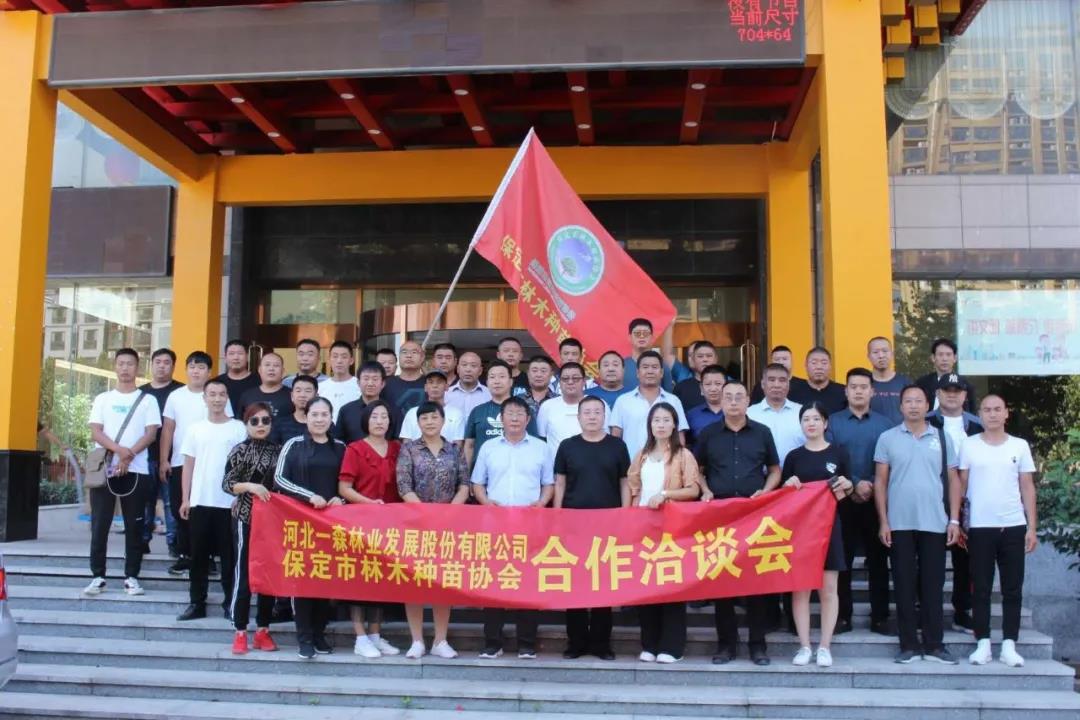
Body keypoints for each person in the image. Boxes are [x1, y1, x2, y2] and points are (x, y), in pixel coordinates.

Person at [695, 381, 781, 666]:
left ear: (747, 402)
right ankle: (726, 645)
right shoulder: (708, 434)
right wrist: (706, 490)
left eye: (739, 397)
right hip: (719, 518)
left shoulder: (762, 432)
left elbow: (774, 470)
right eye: (728, 397)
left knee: (756, 583)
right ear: (721, 401)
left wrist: (766, 492)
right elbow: (698, 470)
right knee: (722, 585)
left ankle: (758, 645)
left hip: (753, 516)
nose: (733, 402)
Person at [874, 384, 961, 665]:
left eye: (918, 401)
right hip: (899, 523)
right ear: (900, 407)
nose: (913, 406)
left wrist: (954, 519)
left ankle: (935, 645)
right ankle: (909, 645)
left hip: (934, 522)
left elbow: (953, 480)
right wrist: (883, 521)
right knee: (903, 584)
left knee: (933, 585)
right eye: (908, 401)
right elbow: (880, 482)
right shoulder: (887, 438)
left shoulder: (942, 437)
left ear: (927, 406)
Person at [955, 395, 1038, 668]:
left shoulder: (1019, 445)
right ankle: (983, 643)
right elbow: (961, 485)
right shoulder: (969, 445)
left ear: (1006, 413)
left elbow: (1027, 486)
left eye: (997, 409)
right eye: (987, 410)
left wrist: (1032, 527)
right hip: (980, 527)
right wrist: (957, 520)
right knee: (980, 587)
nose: (992, 414)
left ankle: (1009, 644)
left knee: (1012, 588)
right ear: (979, 414)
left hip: (1013, 525)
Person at [471, 396, 554, 659]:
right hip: (495, 526)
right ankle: (492, 642)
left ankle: (526, 643)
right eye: (510, 414)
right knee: (493, 583)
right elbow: (477, 483)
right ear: (502, 419)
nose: (515, 418)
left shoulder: (541, 448)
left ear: (528, 419)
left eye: (520, 414)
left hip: (530, 526)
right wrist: (486, 502)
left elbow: (549, 483)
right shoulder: (489, 448)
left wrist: (542, 503)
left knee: (527, 583)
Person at [554, 395, 630, 660]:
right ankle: (576, 643)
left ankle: (601, 643)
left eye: (597, 412)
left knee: (602, 584)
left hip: (608, 524)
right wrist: (557, 518)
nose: (592, 416)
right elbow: (560, 483)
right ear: (578, 417)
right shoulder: (567, 446)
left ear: (604, 416)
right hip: (574, 524)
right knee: (575, 584)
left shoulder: (617, 446)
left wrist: (625, 516)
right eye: (587, 412)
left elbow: (624, 483)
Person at [273, 397, 347, 659]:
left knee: (325, 580)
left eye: (324, 414)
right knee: (302, 581)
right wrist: (308, 496)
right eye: (315, 414)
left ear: (331, 418)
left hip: (330, 525)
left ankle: (319, 634)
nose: (319, 419)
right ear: (306, 417)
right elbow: (279, 479)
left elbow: (348, 483)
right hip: (299, 524)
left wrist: (341, 500)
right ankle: (304, 637)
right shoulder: (294, 445)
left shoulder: (340, 447)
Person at [781, 403, 854, 668]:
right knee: (800, 590)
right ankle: (804, 646)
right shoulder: (794, 457)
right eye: (806, 419)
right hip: (800, 531)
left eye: (816, 418)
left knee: (828, 589)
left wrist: (848, 485)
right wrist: (788, 485)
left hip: (829, 528)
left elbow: (846, 493)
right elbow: (783, 498)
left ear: (825, 423)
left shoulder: (839, 453)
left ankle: (824, 646)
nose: (810, 423)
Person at [84, 348, 161, 597]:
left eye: (130, 363)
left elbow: (151, 434)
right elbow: (96, 432)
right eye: (121, 363)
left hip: (137, 470)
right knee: (100, 523)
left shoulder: (148, 400)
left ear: (138, 367)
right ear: (115, 366)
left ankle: (132, 576)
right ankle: (98, 576)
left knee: (135, 525)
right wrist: (119, 451)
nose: (125, 368)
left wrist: (129, 455)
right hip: (105, 469)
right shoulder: (103, 399)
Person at [396, 402, 470, 659]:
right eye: (424, 418)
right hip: (416, 525)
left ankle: (440, 640)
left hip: (448, 526)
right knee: (414, 582)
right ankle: (416, 640)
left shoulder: (454, 450)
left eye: (434, 417)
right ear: (418, 423)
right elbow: (403, 485)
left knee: (442, 581)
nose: (429, 422)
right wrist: (426, 514)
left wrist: (449, 513)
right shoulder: (408, 449)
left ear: (443, 420)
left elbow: (464, 484)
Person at [628, 403, 701, 664]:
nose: (661, 424)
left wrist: (666, 494)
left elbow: (693, 489)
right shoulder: (642, 454)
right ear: (650, 425)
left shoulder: (683, 455)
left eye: (666, 420)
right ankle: (649, 643)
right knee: (646, 585)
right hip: (644, 528)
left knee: (671, 586)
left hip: (673, 529)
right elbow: (633, 487)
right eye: (656, 420)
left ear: (674, 425)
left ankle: (672, 646)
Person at [829, 368, 894, 636]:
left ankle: (880, 617)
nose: (858, 391)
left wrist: (870, 484)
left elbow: (891, 461)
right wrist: (854, 483)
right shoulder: (833, 422)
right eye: (853, 387)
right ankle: (842, 616)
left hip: (876, 500)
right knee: (842, 560)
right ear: (846, 391)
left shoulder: (885, 424)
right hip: (841, 500)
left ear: (872, 391)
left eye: (863, 387)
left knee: (878, 561)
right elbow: (829, 459)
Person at [176, 379, 247, 622]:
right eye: (212, 394)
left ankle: (230, 603)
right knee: (198, 556)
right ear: (204, 398)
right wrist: (185, 498)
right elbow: (188, 465)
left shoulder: (238, 428)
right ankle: (197, 603)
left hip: (229, 503)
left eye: (221, 394)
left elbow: (244, 466)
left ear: (227, 398)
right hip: (200, 501)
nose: (217, 399)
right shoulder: (195, 429)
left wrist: (240, 496)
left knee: (229, 557)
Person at [337, 400, 403, 659]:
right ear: (366, 420)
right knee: (359, 581)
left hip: (390, 526)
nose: (379, 421)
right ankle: (360, 637)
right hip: (360, 523)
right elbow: (344, 488)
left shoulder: (397, 448)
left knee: (381, 581)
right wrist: (369, 503)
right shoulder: (355, 449)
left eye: (384, 416)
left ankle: (375, 635)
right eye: (374, 416)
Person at [161, 351, 231, 576]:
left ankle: (207, 556)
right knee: (181, 507)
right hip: (180, 461)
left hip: (210, 464)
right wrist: (164, 459)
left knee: (205, 510)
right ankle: (185, 554)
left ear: (209, 372)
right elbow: (168, 429)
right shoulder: (175, 396)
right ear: (186, 370)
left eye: (201, 367)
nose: (196, 371)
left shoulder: (217, 395)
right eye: (192, 366)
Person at [223, 402, 281, 655]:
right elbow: (227, 484)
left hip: (271, 520)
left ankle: (263, 630)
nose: (260, 425)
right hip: (245, 517)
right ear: (246, 424)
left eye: (265, 420)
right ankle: (239, 630)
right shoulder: (240, 450)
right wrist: (250, 487)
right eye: (254, 421)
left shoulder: (279, 451)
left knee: (268, 575)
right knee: (244, 573)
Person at [928, 373, 983, 633]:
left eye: (957, 390)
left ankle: (963, 611)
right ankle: (928, 611)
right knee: (929, 560)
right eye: (946, 390)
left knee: (967, 561)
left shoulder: (977, 426)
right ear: (937, 394)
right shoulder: (925, 422)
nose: (952, 395)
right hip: (933, 500)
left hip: (969, 503)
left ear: (965, 395)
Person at [138, 347, 183, 557]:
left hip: (173, 457)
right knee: (144, 501)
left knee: (170, 503)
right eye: (158, 362)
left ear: (173, 366)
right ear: (152, 364)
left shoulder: (180, 392)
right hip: (143, 456)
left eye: (167, 363)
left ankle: (173, 543)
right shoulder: (141, 393)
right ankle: (142, 541)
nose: (162, 366)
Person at [610, 350, 688, 460]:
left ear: (661, 373)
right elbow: (615, 437)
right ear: (637, 373)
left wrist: (678, 462)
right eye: (645, 367)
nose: (650, 371)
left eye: (654, 367)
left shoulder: (673, 401)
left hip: (666, 465)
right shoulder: (623, 401)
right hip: (631, 464)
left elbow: (679, 436)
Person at [747, 363, 804, 468]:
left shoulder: (802, 412)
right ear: (763, 384)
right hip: (759, 475)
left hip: (796, 475)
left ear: (788, 384)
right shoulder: (749, 414)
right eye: (771, 380)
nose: (777, 385)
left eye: (782, 380)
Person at [536, 362, 602, 452]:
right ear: (559, 382)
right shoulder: (547, 406)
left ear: (584, 381)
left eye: (575, 378)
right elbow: (542, 439)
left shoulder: (598, 404)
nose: (570, 382)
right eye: (565, 379)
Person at [336, 361, 402, 444]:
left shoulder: (393, 410)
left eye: (375, 379)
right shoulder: (346, 410)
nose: (370, 383)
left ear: (382, 383)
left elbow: (397, 441)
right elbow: (339, 442)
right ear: (358, 383)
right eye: (366, 379)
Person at [464, 360, 513, 467]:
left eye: (502, 376)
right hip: (481, 472)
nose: (497, 381)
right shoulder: (477, 411)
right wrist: (466, 475)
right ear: (487, 382)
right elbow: (469, 446)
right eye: (492, 377)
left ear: (511, 382)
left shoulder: (523, 411)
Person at [399, 371, 465, 443]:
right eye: (431, 382)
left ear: (446, 387)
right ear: (425, 387)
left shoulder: (456, 414)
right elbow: (406, 444)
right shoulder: (412, 413)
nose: (435, 386)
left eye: (439, 382)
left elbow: (458, 445)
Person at [916, 338, 977, 412]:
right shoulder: (922, 383)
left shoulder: (965, 385)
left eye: (948, 355)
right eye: (940, 354)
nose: (944, 359)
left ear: (955, 358)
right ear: (933, 358)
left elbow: (971, 412)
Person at [622, 318, 681, 392]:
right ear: (629, 337)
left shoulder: (662, 366)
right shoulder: (621, 366)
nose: (641, 336)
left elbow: (667, 394)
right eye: (637, 333)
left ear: (652, 338)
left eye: (646, 333)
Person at [789, 347, 847, 413]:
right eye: (814, 363)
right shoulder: (793, 392)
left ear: (830, 366)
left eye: (824, 363)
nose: (819, 367)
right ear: (806, 365)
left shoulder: (843, 392)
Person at [867, 337, 910, 425]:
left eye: (885, 351)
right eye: (875, 352)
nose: (881, 356)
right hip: (872, 432)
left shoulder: (905, 382)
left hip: (900, 432)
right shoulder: (864, 384)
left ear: (892, 354)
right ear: (868, 356)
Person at [238, 352, 294, 419]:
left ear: (283, 371)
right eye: (267, 365)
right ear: (259, 370)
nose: (271, 369)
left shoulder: (292, 395)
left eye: (276, 365)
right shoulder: (247, 396)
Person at [214, 339, 260, 417]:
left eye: (240, 353)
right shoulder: (217, 382)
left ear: (247, 357)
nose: (236, 357)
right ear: (225, 358)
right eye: (231, 354)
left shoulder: (259, 381)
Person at [318, 341, 361, 421]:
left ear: (351, 360)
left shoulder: (360, 386)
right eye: (335, 356)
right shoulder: (320, 387)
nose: (339, 361)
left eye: (344, 357)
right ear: (329, 360)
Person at [513, 355, 556, 436]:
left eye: (543, 371)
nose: (538, 375)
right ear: (528, 373)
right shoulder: (517, 401)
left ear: (551, 374)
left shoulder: (558, 401)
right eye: (534, 371)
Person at [270, 374, 318, 445]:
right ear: (292, 396)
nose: (302, 395)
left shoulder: (324, 424)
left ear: (316, 396)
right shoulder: (280, 425)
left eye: (308, 391)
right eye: (298, 391)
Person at [686, 364, 726, 448]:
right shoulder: (691, 415)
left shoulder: (736, 412)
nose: (713, 389)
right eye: (708, 384)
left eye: (718, 384)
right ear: (701, 388)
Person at [672, 340, 719, 411]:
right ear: (693, 360)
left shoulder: (726, 385)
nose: (705, 359)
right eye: (700, 356)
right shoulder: (681, 387)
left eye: (709, 356)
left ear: (716, 359)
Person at [382, 340, 426, 412]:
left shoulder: (430, 383)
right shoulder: (385, 384)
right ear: (399, 357)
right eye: (404, 352)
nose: (409, 356)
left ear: (422, 357)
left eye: (414, 352)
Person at [445, 351, 490, 418]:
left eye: (473, 366)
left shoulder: (489, 394)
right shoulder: (446, 394)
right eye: (464, 365)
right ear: (457, 369)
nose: (468, 370)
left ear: (480, 371)